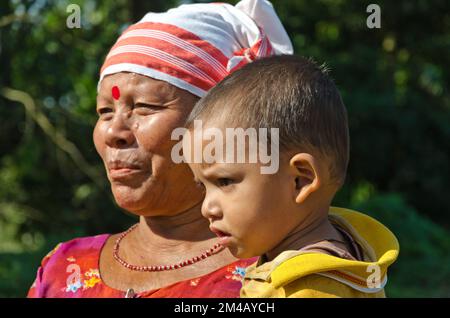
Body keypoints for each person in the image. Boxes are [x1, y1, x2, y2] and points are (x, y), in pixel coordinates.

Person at [27, 0, 293, 298]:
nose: (114, 132)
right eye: (104, 111)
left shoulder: (285, 276)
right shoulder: (60, 269)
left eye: (143, 107)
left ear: (224, 123)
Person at [184, 55, 400, 298]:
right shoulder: (330, 252)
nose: (206, 209)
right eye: (203, 186)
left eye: (224, 181)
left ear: (301, 180)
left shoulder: (309, 287)